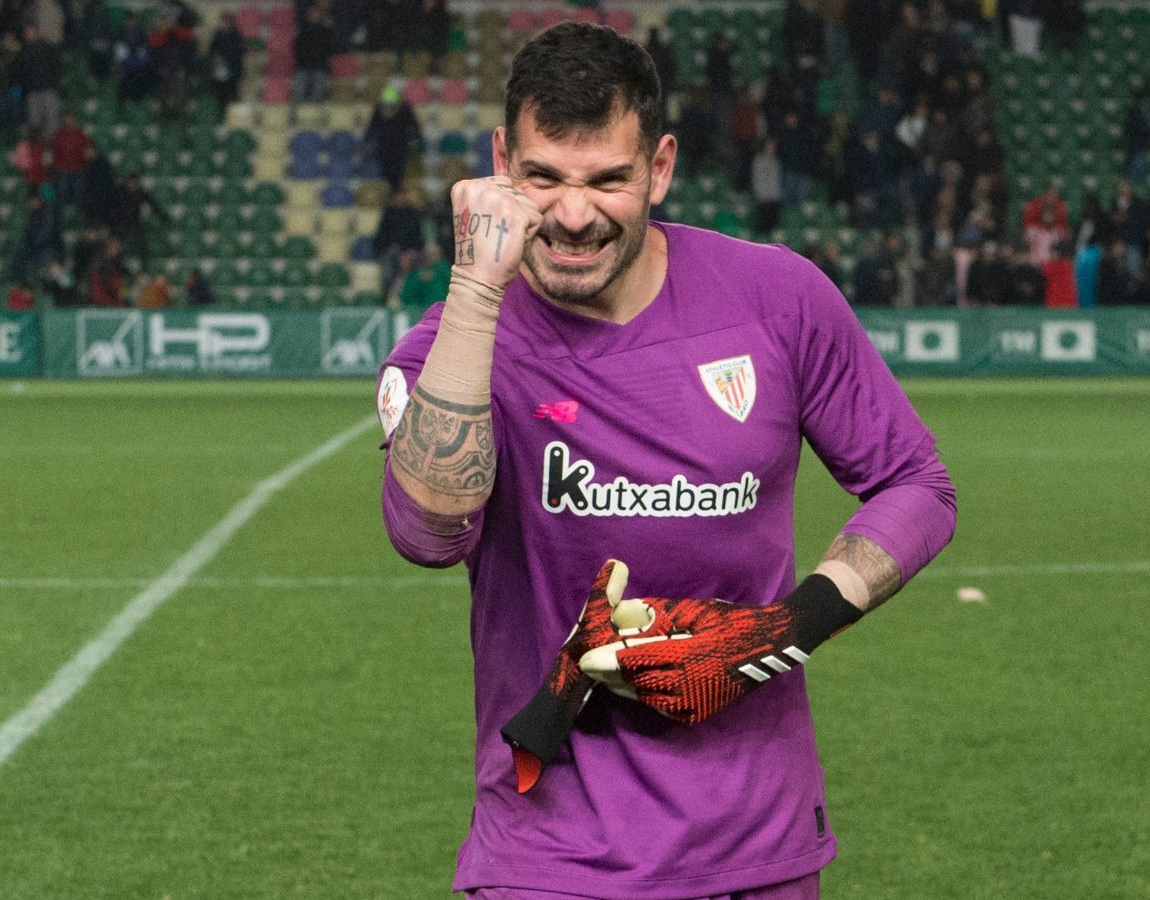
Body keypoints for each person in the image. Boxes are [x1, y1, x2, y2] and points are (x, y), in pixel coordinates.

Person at [375, 22, 956, 898]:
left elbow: (918, 483)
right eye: (543, 178)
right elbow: (427, 533)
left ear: (660, 167)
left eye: (608, 180)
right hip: (551, 859)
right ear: (499, 165)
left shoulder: (777, 298)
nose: (573, 216)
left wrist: (782, 629)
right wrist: (475, 286)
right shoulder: (458, 340)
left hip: (760, 845)